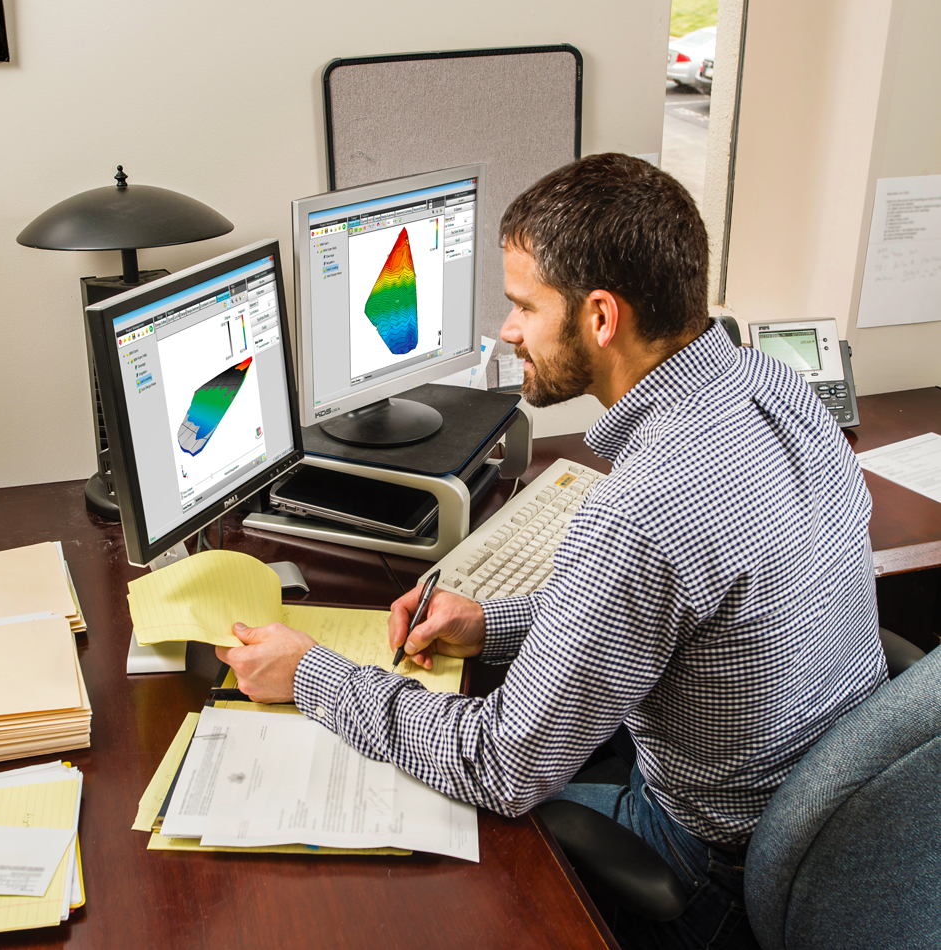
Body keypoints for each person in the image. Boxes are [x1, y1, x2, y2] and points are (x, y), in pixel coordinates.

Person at [216, 153, 887, 949]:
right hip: (841, 809)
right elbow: (666, 607)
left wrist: (311, 674)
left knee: (417, 873)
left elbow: (501, 766)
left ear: (601, 318)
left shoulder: (640, 512)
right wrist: (490, 624)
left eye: (523, 306)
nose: (508, 331)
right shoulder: (774, 385)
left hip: (713, 870)